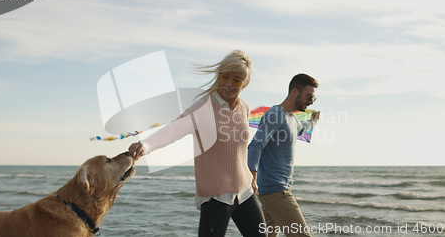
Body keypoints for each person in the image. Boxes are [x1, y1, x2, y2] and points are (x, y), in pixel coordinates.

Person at [129, 50, 267, 237]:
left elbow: (239, 149)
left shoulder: (244, 108)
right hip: (216, 197)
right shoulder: (203, 107)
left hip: (245, 192)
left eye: (236, 80)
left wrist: (252, 176)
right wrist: (146, 145)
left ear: (245, 83)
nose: (228, 83)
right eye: (225, 76)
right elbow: (174, 128)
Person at [247, 74, 320, 237]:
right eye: (309, 97)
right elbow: (255, 145)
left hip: (272, 191)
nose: (311, 102)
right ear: (295, 92)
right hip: (276, 190)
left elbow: (302, 128)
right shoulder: (275, 114)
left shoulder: (292, 119)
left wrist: (313, 122)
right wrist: (252, 176)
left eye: (314, 99)